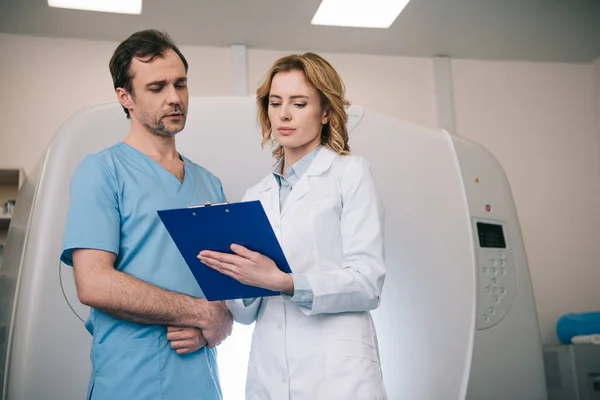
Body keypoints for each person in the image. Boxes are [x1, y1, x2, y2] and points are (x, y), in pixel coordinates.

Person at [195, 53, 388, 399]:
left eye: (299, 103)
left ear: (326, 112)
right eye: (275, 102)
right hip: (270, 374)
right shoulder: (257, 195)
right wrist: (231, 267)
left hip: (338, 374)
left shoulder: (350, 173)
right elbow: (244, 313)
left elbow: (367, 281)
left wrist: (285, 282)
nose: (284, 114)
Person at [60, 29, 232, 400]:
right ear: (126, 97)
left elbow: (226, 296)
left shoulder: (210, 184)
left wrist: (222, 322)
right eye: (157, 88)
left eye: (180, 84)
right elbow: (94, 283)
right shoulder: (102, 172)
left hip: (202, 382)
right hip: (131, 382)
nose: (174, 98)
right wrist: (200, 313)